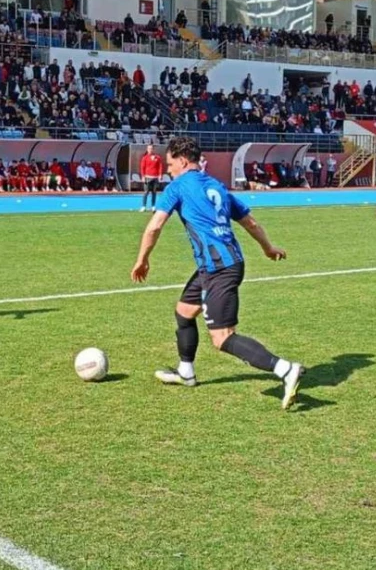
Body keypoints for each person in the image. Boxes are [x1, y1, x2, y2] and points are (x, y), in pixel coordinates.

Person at [130, 137, 304, 410]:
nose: (168, 170)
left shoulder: (177, 186)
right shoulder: (217, 185)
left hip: (219, 269)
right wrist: (268, 248)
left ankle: (285, 368)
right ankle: (186, 371)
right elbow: (250, 222)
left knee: (222, 337)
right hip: (218, 265)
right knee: (184, 312)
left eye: (170, 164)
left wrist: (142, 259)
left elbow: (154, 227)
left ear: (183, 161)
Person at [139, 145, 164, 213]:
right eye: (149, 148)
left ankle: (153, 206)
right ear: (147, 149)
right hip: (147, 177)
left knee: (154, 192)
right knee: (146, 192)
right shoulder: (145, 158)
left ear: (153, 149)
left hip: (155, 178)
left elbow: (160, 166)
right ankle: (144, 206)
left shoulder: (157, 157)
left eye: (151, 148)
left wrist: (160, 175)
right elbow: (142, 168)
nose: (150, 149)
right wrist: (143, 176)